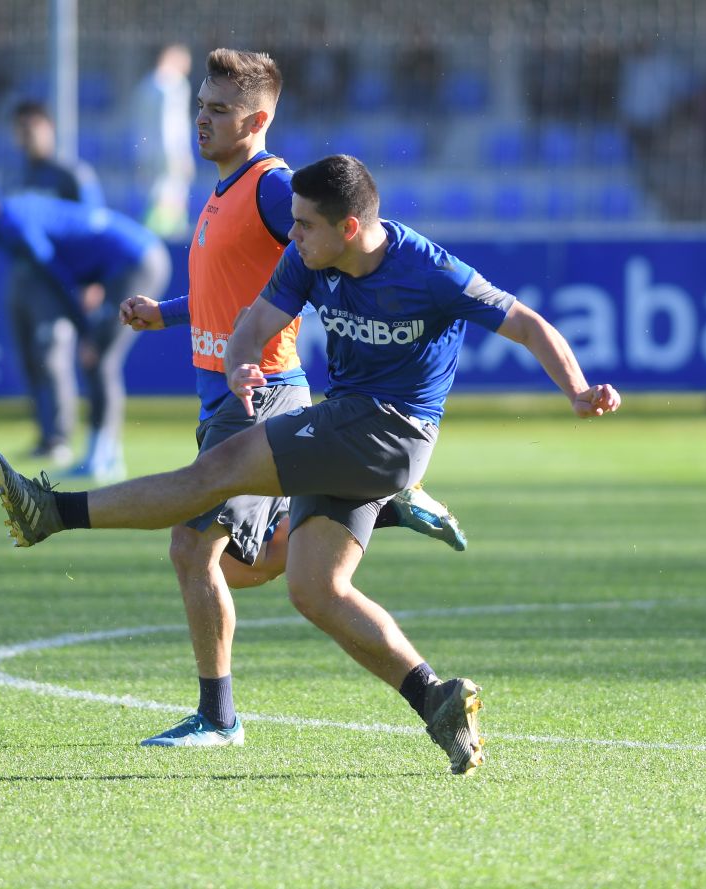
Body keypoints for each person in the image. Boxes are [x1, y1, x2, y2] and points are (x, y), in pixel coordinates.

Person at [0, 154, 621, 775]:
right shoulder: (309, 258)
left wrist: (577, 389)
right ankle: (436, 699)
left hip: (390, 432)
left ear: (350, 227)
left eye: (305, 224)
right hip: (348, 426)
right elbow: (255, 321)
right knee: (313, 589)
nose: (292, 234)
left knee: (214, 474)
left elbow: (529, 323)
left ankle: (55, 513)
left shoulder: (429, 269)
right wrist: (238, 361)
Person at [117, 48, 468, 748]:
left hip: (265, 390)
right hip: (227, 393)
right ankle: (385, 502)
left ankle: (218, 720)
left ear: (259, 119)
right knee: (244, 569)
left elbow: (325, 252)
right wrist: (168, 312)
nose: (202, 120)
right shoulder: (222, 189)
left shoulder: (274, 188)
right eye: (201, 106)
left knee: (191, 549)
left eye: (219, 109)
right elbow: (247, 285)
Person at [0, 189, 171, 482]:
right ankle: (104, 455)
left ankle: (102, 458)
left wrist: (85, 331)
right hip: (133, 260)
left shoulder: (12, 223)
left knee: (99, 359)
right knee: (98, 360)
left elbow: (53, 274)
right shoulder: (17, 211)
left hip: (135, 263)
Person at [0, 102, 105, 469]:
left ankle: (60, 436)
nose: (26, 136)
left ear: (49, 129)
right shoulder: (15, 177)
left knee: (52, 355)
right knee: (30, 359)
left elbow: (94, 226)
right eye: (20, 128)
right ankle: (44, 435)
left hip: (57, 283)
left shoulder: (69, 175)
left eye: (32, 127)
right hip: (22, 278)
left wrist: (91, 282)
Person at [131, 44, 195, 238]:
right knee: (170, 195)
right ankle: (166, 238)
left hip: (146, 152)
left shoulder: (147, 83)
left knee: (152, 194)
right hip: (168, 153)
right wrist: (178, 155)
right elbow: (170, 124)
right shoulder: (174, 84)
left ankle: (151, 235)